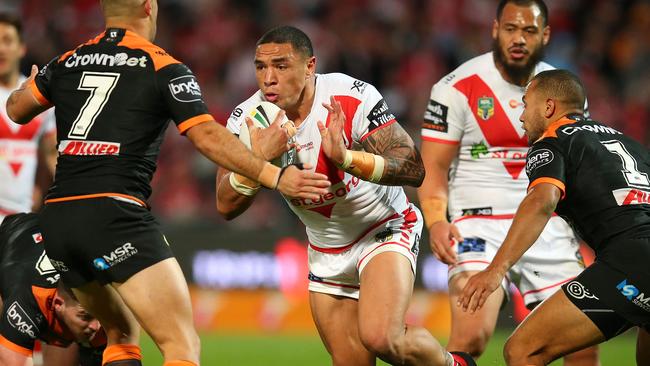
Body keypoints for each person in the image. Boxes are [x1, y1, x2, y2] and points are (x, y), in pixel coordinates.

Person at [5, 1, 331, 365]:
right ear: (149, 7)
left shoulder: (66, 61)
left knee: (119, 333)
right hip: (115, 215)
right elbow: (205, 135)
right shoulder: (163, 65)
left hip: (59, 221)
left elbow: (16, 109)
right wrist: (275, 175)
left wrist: (31, 83)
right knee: (180, 345)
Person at [216, 25, 475, 366]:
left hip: (382, 229)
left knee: (382, 337)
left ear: (310, 66)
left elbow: (413, 167)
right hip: (326, 251)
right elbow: (224, 205)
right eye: (261, 67)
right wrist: (258, 161)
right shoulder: (248, 119)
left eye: (281, 66)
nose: (268, 78)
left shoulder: (349, 96)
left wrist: (347, 159)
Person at [416, 0, 598, 363]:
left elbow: (578, 168)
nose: (519, 38)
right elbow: (433, 166)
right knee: (472, 335)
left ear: (545, 34)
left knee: (581, 347)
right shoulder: (456, 87)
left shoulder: (563, 90)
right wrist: (436, 220)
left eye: (529, 31)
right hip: (476, 223)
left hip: (546, 224)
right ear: (495, 29)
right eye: (511, 28)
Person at [459, 69, 650, 365]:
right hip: (639, 256)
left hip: (631, 260)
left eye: (525, 104)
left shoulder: (553, 140)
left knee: (522, 350)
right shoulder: (631, 144)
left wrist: (496, 269)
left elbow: (540, 202)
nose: (521, 117)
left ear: (548, 107)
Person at [0, 213, 106, 366]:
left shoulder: (105, 306)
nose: (96, 326)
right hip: (13, 238)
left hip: (53, 231)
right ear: (58, 304)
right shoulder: (27, 299)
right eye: (86, 317)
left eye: (99, 316)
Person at [0, 12, 57, 223]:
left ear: (21, 48)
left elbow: (52, 154)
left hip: (22, 218)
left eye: (7, 41)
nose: (1, 49)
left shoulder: (37, 97)